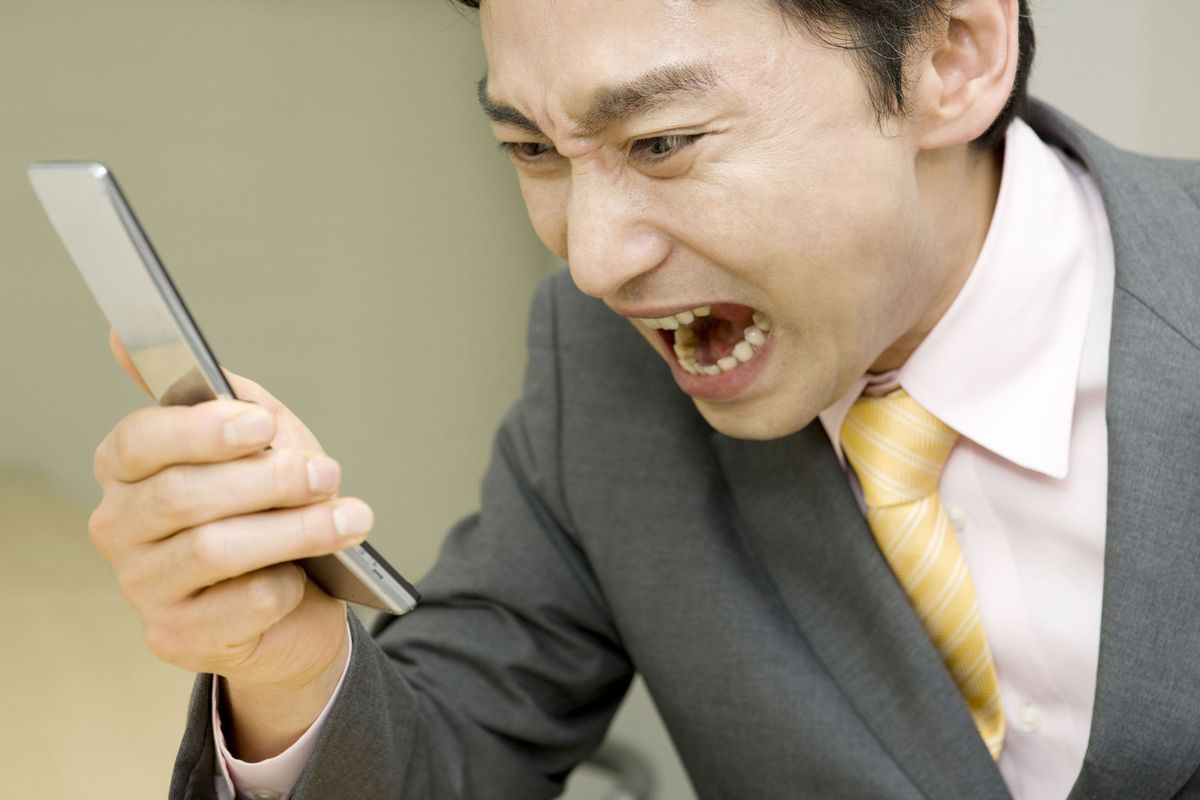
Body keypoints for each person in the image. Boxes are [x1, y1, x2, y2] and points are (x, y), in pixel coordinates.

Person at [87, 0, 1200, 798]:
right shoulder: (602, 371)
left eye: (663, 142)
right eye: (530, 149)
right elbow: (454, 752)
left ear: (953, 58)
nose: (595, 262)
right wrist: (289, 665)